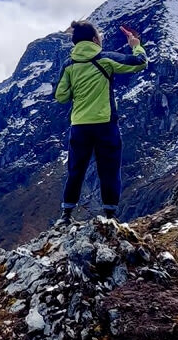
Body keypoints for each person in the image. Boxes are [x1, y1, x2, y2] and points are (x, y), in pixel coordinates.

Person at [53, 20, 148, 225]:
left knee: (76, 169)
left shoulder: (69, 65)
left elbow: (60, 96)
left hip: (79, 125)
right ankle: (110, 216)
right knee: (109, 168)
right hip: (105, 123)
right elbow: (139, 62)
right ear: (95, 39)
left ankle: (66, 215)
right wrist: (135, 44)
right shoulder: (105, 58)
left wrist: (76, 89)